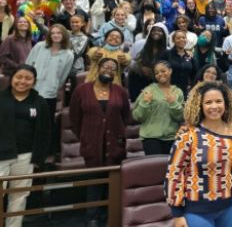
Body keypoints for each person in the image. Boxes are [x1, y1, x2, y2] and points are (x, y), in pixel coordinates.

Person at [165, 81, 232, 227]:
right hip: (196, 210)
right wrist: (177, 214)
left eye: (218, 101)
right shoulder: (188, 136)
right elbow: (174, 174)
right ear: (200, 105)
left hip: (228, 206)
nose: (214, 106)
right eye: (208, 102)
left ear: (226, 103)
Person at [69, 58, 132, 226]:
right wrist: (86, 136)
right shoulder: (82, 90)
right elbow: (74, 119)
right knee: (94, 183)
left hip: (115, 144)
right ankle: (93, 217)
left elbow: (126, 117)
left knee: (112, 183)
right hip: (92, 145)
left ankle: (111, 217)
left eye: (113, 69)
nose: (109, 70)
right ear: (97, 68)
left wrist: (117, 132)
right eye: (106, 67)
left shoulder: (120, 91)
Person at [0, 65, 50, 227]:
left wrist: (38, 157)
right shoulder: (1, 98)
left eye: (28, 78)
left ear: (34, 82)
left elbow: (45, 131)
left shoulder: (39, 102)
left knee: (19, 196)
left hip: (26, 156)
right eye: (19, 77)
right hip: (1, 155)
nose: (22, 81)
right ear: (11, 78)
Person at [25, 23, 74, 151]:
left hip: (49, 94)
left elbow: (63, 76)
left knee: (44, 124)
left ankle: (42, 152)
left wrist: (54, 86)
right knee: (28, 120)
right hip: (31, 91)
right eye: (53, 33)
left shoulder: (68, 54)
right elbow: (28, 65)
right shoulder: (40, 46)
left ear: (64, 35)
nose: (55, 35)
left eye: (59, 33)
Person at [133, 61, 184, 155]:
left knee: (171, 168)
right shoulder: (149, 90)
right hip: (151, 138)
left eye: (163, 71)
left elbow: (179, 117)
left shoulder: (178, 92)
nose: (160, 74)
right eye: (157, 73)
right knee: (155, 168)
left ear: (170, 71)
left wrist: (173, 103)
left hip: (172, 137)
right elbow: (137, 116)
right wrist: (145, 102)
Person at [128, 22, 169, 100]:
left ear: (164, 33)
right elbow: (134, 61)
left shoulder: (168, 51)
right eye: (154, 30)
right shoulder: (142, 45)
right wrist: (141, 68)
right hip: (140, 79)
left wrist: (153, 72)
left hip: (157, 81)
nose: (156, 32)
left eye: (159, 31)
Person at [160, 30, 195, 97]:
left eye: (183, 37)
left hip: (184, 91)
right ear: (173, 40)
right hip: (168, 90)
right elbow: (159, 70)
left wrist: (191, 87)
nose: (181, 39)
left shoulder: (190, 56)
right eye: (178, 38)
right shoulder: (167, 54)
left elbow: (194, 74)